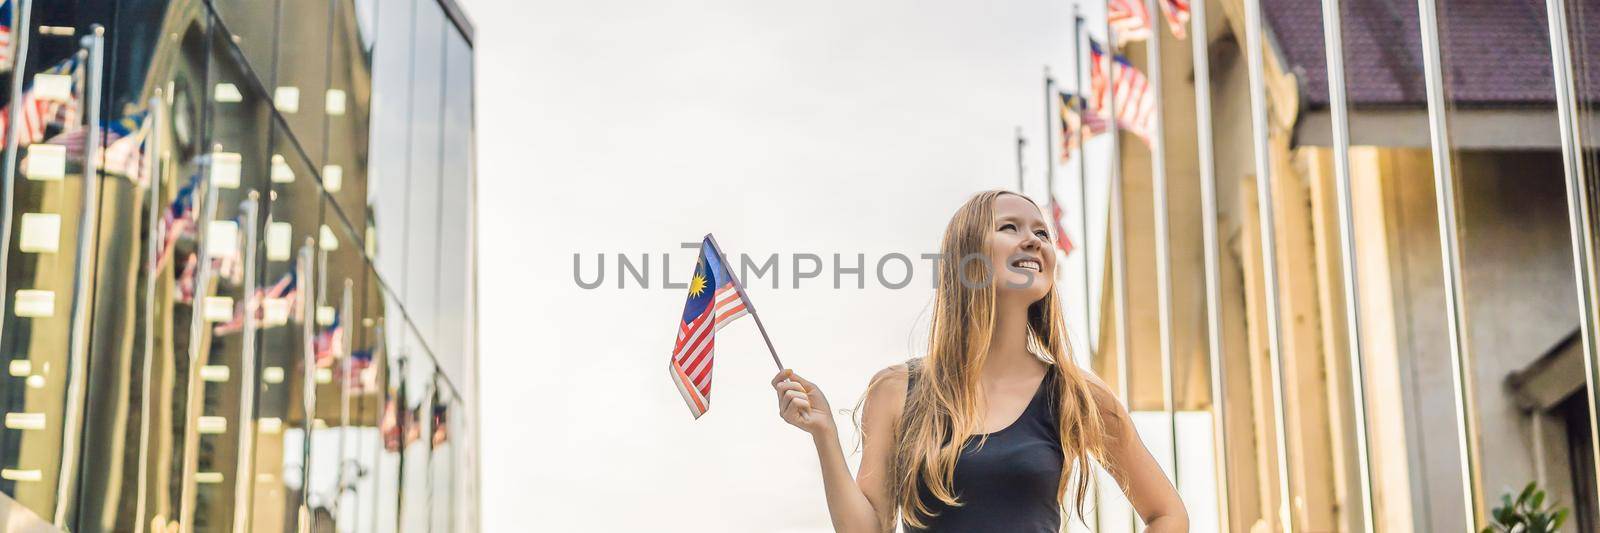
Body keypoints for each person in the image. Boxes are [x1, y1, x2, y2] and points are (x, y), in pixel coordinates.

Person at [772, 190, 1188, 532]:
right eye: (1010, 227)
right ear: (967, 258)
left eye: (1042, 232)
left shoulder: (1076, 395)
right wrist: (824, 435)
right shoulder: (897, 392)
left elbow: (1168, 514)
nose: (1034, 240)